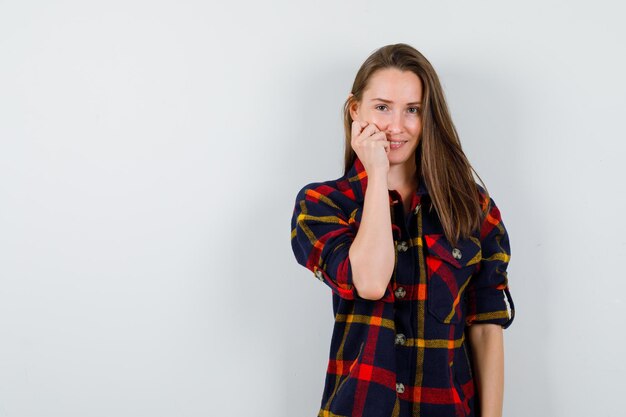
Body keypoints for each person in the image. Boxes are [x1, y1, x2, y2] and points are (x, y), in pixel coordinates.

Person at [290, 43, 515, 417]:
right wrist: (376, 173)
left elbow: (487, 328)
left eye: (412, 110)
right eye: (382, 108)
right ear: (354, 110)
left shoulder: (472, 208)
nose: (396, 126)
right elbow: (371, 281)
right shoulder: (322, 204)